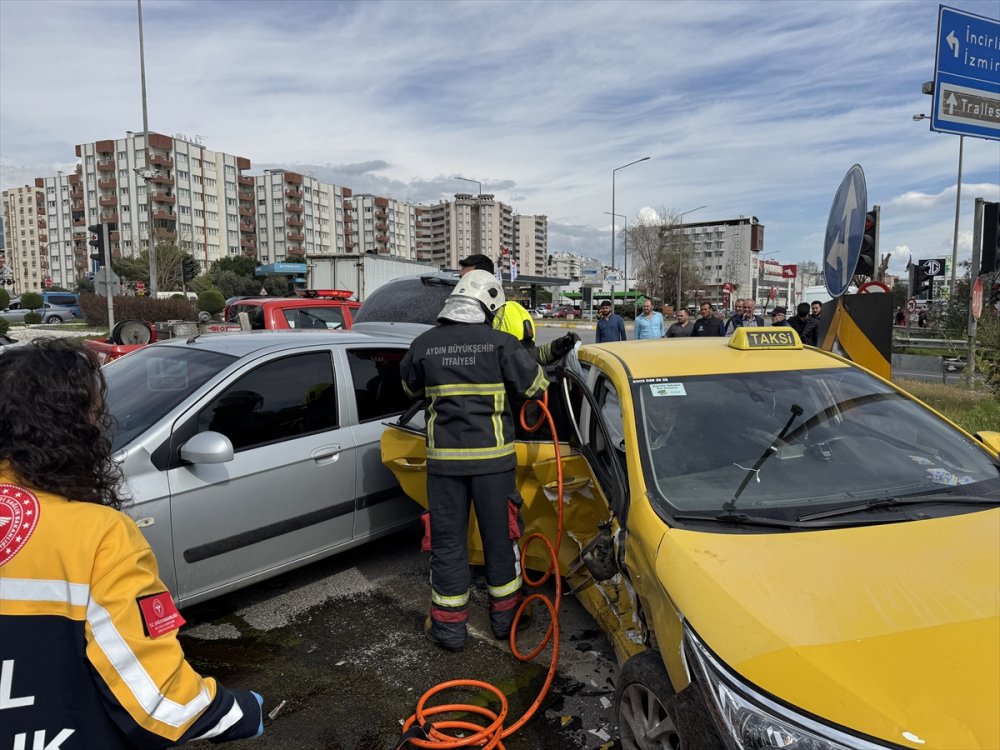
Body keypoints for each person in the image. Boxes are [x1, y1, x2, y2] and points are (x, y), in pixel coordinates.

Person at [0, 339, 264, 749]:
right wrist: (240, 712)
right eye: (95, 411)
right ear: (71, 428)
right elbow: (159, 703)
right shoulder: (97, 535)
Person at [401, 270, 549, 652]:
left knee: (447, 544)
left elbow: (409, 387)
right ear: (490, 305)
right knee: (501, 541)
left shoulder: (424, 344)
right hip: (494, 466)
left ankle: (449, 630)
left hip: (444, 466)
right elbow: (535, 387)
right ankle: (506, 623)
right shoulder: (501, 343)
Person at [459, 253, 577, 363]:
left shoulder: (512, 312)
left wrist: (559, 345)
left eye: (467, 280)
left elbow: (529, 356)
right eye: (460, 280)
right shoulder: (451, 315)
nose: (461, 286)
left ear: (486, 280)